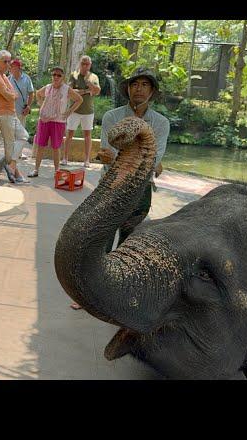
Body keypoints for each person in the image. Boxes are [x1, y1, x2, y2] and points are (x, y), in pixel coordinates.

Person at [68, 67, 169, 312]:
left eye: (145, 85)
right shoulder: (113, 117)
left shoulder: (160, 123)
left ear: (152, 91)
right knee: (99, 238)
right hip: (111, 185)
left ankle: (120, 293)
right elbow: (108, 152)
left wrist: (145, 162)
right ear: (128, 89)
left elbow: (156, 157)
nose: (139, 89)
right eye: (135, 84)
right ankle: (90, 293)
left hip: (140, 189)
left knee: (129, 239)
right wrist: (117, 157)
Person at [28, 66, 82, 177]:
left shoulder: (66, 89)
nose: (56, 77)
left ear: (63, 77)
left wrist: (69, 111)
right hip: (44, 120)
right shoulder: (48, 87)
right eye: (54, 75)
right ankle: (36, 170)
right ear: (51, 76)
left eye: (59, 75)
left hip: (58, 121)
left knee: (56, 147)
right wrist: (41, 104)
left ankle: (57, 172)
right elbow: (38, 93)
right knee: (40, 145)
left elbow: (79, 100)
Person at [0, 50, 30, 183]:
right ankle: (14, 172)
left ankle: (11, 167)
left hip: (10, 113)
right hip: (3, 113)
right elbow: (10, 96)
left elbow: (14, 94)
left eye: (9, 62)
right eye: (5, 62)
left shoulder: (4, 77)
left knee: (23, 136)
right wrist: (11, 95)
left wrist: (11, 95)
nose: (7, 64)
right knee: (10, 143)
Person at [62, 55, 101, 168]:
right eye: (83, 63)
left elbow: (97, 91)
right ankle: (65, 158)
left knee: (87, 135)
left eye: (87, 64)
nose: (85, 66)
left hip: (88, 111)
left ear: (90, 65)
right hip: (74, 110)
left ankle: (87, 160)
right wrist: (85, 90)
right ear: (80, 64)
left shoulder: (94, 77)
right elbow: (69, 92)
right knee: (69, 134)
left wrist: (91, 86)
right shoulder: (74, 75)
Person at [8, 58, 35, 160]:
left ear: (19, 68)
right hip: (10, 111)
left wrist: (28, 106)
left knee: (21, 132)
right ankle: (13, 153)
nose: (11, 69)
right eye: (11, 67)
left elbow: (31, 93)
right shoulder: (8, 79)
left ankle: (18, 153)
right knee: (12, 132)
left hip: (22, 111)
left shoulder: (26, 79)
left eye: (14, 67)